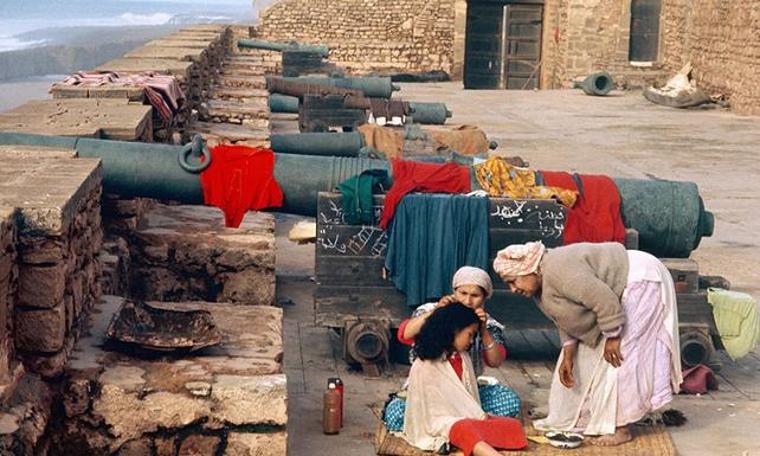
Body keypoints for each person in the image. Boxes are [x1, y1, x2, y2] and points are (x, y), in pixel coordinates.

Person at [493, 241, 682, 446]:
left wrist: (613, 337)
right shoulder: (540, 285)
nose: (513, 289)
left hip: (640, 279)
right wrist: (568, 355)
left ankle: (621, 428)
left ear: (529, 270)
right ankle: (589, 417)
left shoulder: (559, 271)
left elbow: (603, 299)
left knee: (622, 356)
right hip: (617, 292)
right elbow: (566, 317)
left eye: (513, 281)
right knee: (585, 357)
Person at [403, 302, 527, 456]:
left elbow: (467, 398)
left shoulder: (463, 357)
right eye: (470, 335)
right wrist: (460, 419)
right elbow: (432, 411)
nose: (471, 341)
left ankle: (472, 441)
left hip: (466, 417)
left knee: (513, 427)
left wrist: (479, 417)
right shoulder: (425, 364)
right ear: (454, 330)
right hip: (441, 423)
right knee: (464, 429)